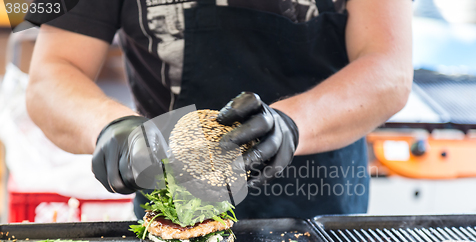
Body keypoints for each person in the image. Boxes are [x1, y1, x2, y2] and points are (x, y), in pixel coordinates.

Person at [25, 0, 413, 220]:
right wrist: (109, 126)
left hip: (318, 202)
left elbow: (389, 67)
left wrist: (292, 126)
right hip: (172, 202)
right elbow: (52, 74)